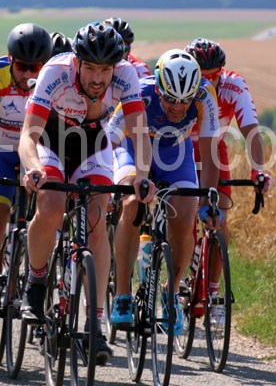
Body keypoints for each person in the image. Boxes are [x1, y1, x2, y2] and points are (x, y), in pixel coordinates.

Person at [18, 22, 154, 365]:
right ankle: (36, 282)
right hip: (51, 141)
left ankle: (94, 324)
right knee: (51, 206)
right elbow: (28, 135)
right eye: (90, 68)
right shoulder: (55, 72)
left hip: (93, 144)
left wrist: (142, 176)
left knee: (96, 223)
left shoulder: (126, 76)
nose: (98, 78)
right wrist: (33, 168)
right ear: (76, 62)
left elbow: (139, 134)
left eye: (105, 70)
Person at [108, 49, 221, 337]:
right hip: (133, 149)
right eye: (170, 99)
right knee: (132, 204)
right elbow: (109, 141)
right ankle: (122, 294)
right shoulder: (140, 92)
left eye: (185, 100)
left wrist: (208, 201)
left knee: (186, 214)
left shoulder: (205, 96)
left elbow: (210, 154)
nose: (178, 107)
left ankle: (171, 293)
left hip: (175, 153)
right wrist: (108, 189)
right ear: (158, 88)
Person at [0, 23, 53, 348]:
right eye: (22, 66)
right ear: (10, 59)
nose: (28, 73)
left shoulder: (51, 81)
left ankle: (41, 302)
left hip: (37, 155)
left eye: (35, 67)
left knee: (49, 224)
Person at [185, 37, 272, 326]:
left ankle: (213, 292)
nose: (209, 81)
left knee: (219, 218)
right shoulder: (182, 84)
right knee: (184, 217)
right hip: (181, 150)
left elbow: (251, 131)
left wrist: (258, 170)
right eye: (203, 75)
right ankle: (179, 274)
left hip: (214, 149)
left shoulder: (234, 86)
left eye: (214, 75)